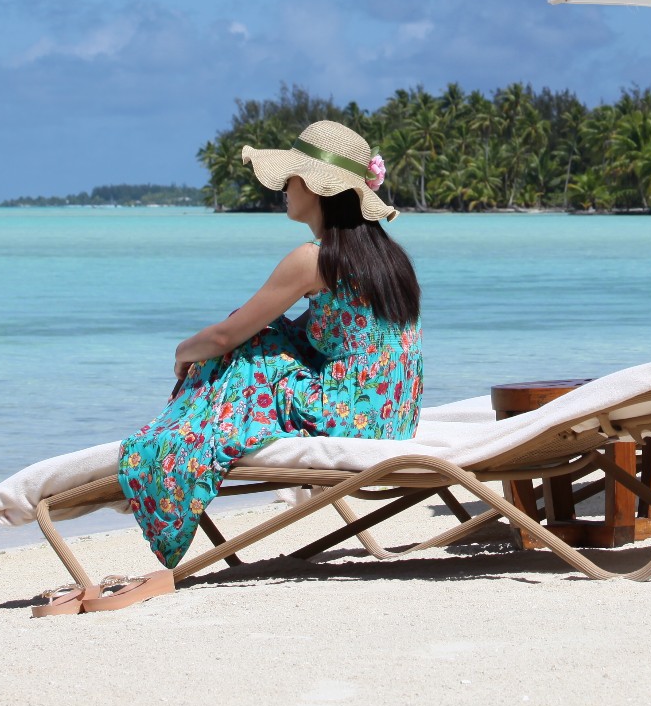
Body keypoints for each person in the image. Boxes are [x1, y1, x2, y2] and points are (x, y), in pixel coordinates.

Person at [103, 120, 422, 608]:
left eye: (291, 178)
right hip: (392, 418)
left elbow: (227, 335)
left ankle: (168, 451)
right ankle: (174, 443)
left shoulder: (312, 259)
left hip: (351, 418)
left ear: (316, 187)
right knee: (266, 339)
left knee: (245, 343)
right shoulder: (387, 257)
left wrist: (181, 353)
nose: (284, 190)